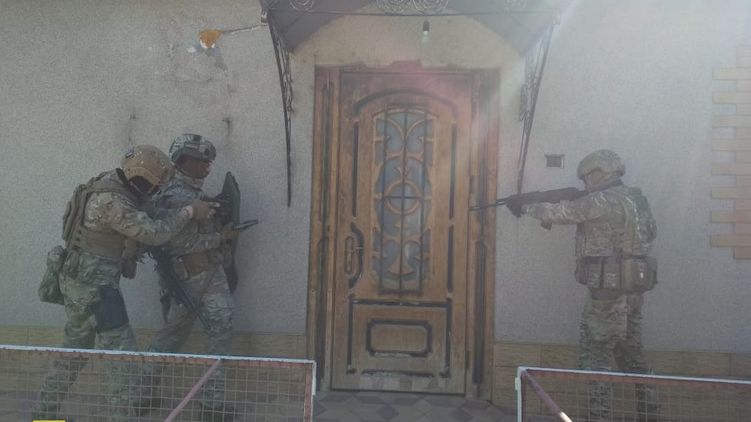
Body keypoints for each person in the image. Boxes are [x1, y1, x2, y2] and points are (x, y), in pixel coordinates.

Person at [34, 145, 216, 421]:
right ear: (144, 178)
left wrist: (183, 207)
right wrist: (190, 211)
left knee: (72, 355)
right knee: (122, 363)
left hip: (81, 285)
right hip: (96, 292)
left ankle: (43, 417)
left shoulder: (113, 183)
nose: (157, 190)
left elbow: (144, 210)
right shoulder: (112, 201)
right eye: (155, 184)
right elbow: (153, 232)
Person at [512, 150, 659, 422]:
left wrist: (526, 206)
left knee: (596, 363)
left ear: (598, 173)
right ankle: (650, 415)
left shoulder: (602, 200)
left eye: (587, 177)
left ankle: (599, 418)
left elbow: (562, 212)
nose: (585, 183)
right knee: (633, 359)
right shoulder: (636, 199)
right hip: (632, 294)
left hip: (606, 298)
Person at [136, 134, 240, 422]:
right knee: (174, 337)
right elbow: (178, 243)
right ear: (182, 161)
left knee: (217, 329)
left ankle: (209, 405)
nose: (208, 166)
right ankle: (141, 396)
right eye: (201, 161)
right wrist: (222, 237)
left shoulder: (190, 192)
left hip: (208, 274)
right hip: (190, 278)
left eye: (209, 161)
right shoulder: (176, 196)